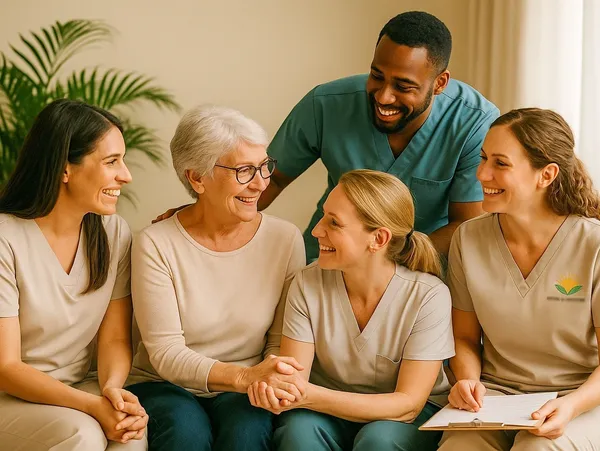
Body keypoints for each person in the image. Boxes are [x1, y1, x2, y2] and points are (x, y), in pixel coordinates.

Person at [126, 105, 307, 451]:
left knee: (247, 433)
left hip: (246, 385)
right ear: (197, 178)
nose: (260, 184)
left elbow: (278, 339)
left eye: (264, 167)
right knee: (185, 433)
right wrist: (242, 376)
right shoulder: (155, 243)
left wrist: (258, 378)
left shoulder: (285, 239)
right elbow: (165, 353)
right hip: (164, 384)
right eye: (244, 171)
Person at [258, 11, 499, 261]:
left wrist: (383, 266)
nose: (383, 97)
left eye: (403, 87)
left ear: (440, 83)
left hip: (421, 266)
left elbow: (466, 224)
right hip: (328, 256)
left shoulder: (474, 123)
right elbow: (269, 180)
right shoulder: (325, 105)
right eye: (376, 76)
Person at [248, 169, 454, 451]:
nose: (316, 230)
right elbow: (293, 382)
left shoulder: (429, 296)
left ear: (378, 239)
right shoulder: (307, 283)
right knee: (298, 432)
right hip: (324, 410)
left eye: (334, 223)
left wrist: (305, 395)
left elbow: (408, 405)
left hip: (403, 419)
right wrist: (276, 390)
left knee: (379, 441)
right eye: (323, 216)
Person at [439, 108, 600, 451]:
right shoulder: (468, 239)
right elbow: (464, 338)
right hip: (496, 398)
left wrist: (570, 405)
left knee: (536, 448)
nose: (482, 173)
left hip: (581, 398)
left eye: (501, 163)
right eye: (483, 159)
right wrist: (467, 380)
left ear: (547, 175)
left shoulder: (594, 245)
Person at [0, 99, 147, 450]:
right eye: (111, 161)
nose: (126, 175)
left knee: (131, 438)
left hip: (81, 388)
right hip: (10, 394)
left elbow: (113, 339)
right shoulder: (6, 238)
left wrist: (112, 391)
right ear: (64, 168)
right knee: (81, 435)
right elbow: (6, 367)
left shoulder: (114, 233)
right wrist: (92, 407)